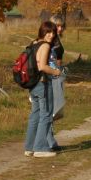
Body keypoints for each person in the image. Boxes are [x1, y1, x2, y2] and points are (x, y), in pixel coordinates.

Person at [24, 21, 63, 158]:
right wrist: (56, 72)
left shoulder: (34, 43)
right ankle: (40, 147)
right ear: (42, 31)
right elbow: (42, 67)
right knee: (46, 115)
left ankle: (29, 147)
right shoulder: (45, 46)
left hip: (33, 85)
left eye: (53, 32)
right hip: (42, 84)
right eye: (48, 32)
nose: (51, 35)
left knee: (35, 115)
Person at [47, 15, 66, 151]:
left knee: (56, 109)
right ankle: (48, 140)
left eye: (62, 26)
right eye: (58, 25)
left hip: (57, 75)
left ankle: (50, 139)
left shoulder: (57, 39)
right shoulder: (49, 41)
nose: (60, 28)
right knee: (51, 109)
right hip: (50, 76)